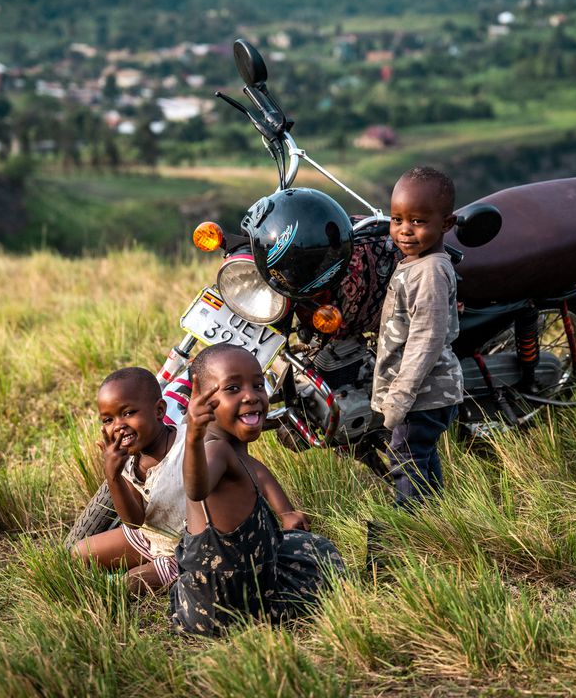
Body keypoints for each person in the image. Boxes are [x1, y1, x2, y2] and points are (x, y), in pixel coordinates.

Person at [170, 343, 344, 636]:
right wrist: (193, 438)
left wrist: (287, 512)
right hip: (230, 606)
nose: (251, 396)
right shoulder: (214, 451)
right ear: (201, 401)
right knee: (322, 553)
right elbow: (196, 489)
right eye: (233, 388)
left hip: (219, 598)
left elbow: (260, 475)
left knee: (302, 543)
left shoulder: (239, 456)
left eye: (258, 384)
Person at [371, 166, 464, 507]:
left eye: (418, 221)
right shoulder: (418, 262)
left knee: (405, 457)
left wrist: (398, 398)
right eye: (397, 219)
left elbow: (426, 338)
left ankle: (408, 524)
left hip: (422, 394)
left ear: (446, 224)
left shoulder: (429, 272)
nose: (404, 231)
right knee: (420, 454)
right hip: (426, 393)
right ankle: (434, 513)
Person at [69, 367, 184, 593]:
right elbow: (133, 520)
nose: (119, 425)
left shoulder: (186, 444)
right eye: (108, 419)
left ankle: (170, 575)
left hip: (183, 551)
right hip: (150, 537)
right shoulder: (129, 461)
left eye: (129, 413)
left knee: (124, 586)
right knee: (79, 554)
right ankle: (144, 568)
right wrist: (113, 475)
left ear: (159, 410)